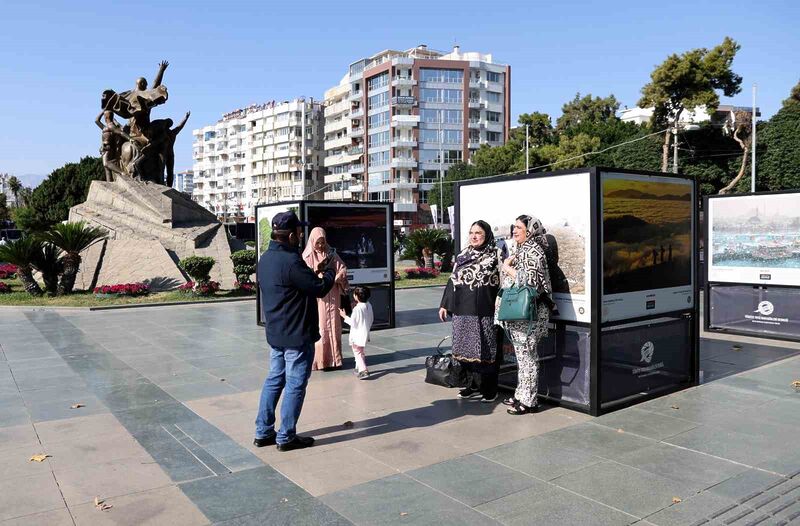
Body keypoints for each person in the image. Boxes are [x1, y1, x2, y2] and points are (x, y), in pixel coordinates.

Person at [254, 211, 336, 452]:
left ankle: (263, 431)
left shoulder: (266, 259)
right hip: (296, 335)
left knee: (273, 380)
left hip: (277, 333)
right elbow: (319, 289)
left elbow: (293, 285)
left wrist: (315, 270)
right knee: (295, 384)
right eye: (299, 232)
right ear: (290, 236)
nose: (301, 235)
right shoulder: (291, 261)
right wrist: (329, 271)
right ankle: (286, 436)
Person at [439, 220, 502, 403]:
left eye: (479, 233)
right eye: (472, 232)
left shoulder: (495, 254)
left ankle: (489, 389)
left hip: (485, 311)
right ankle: (471, 386)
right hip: (462, 310)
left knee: (485, 350)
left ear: (487, 235)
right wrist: (444, 304)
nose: (474, 236)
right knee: (464, 351)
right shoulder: (463, 254)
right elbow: (453, 281)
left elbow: (504, 282)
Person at [497, 215, 553, 415]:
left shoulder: (533, 251)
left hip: (531, 314)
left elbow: (528, 282)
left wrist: (506, 267)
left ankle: (529, 401)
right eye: (514, 227)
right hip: (523, 314)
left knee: (528, 357)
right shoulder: (525, 249)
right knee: (523, 357)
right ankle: (521, 394)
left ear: (529, 231)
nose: (514, 231)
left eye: (519, 227)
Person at [303, 227, 349, 370]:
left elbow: (342, 267)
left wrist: (339, 276)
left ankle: (335, 359)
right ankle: (321, 360)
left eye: (323, 242)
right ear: (312, 242)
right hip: (319, 298)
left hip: (333, 296)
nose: (321, 245)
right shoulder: (307, 257)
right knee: (321, 326)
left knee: (334, 326)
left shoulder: (331, 254)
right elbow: (306, 276)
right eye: (318, 242)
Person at [340, 286, 374, 379]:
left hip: (357, 335)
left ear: (356, 296)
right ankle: (358, 367)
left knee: (357, 352)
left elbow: (353, 322)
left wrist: (344, 316)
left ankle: (363, 370)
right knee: (360, 351)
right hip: (365, 333)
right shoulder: (368, 305)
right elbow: (371, 319)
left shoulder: (357, 309)